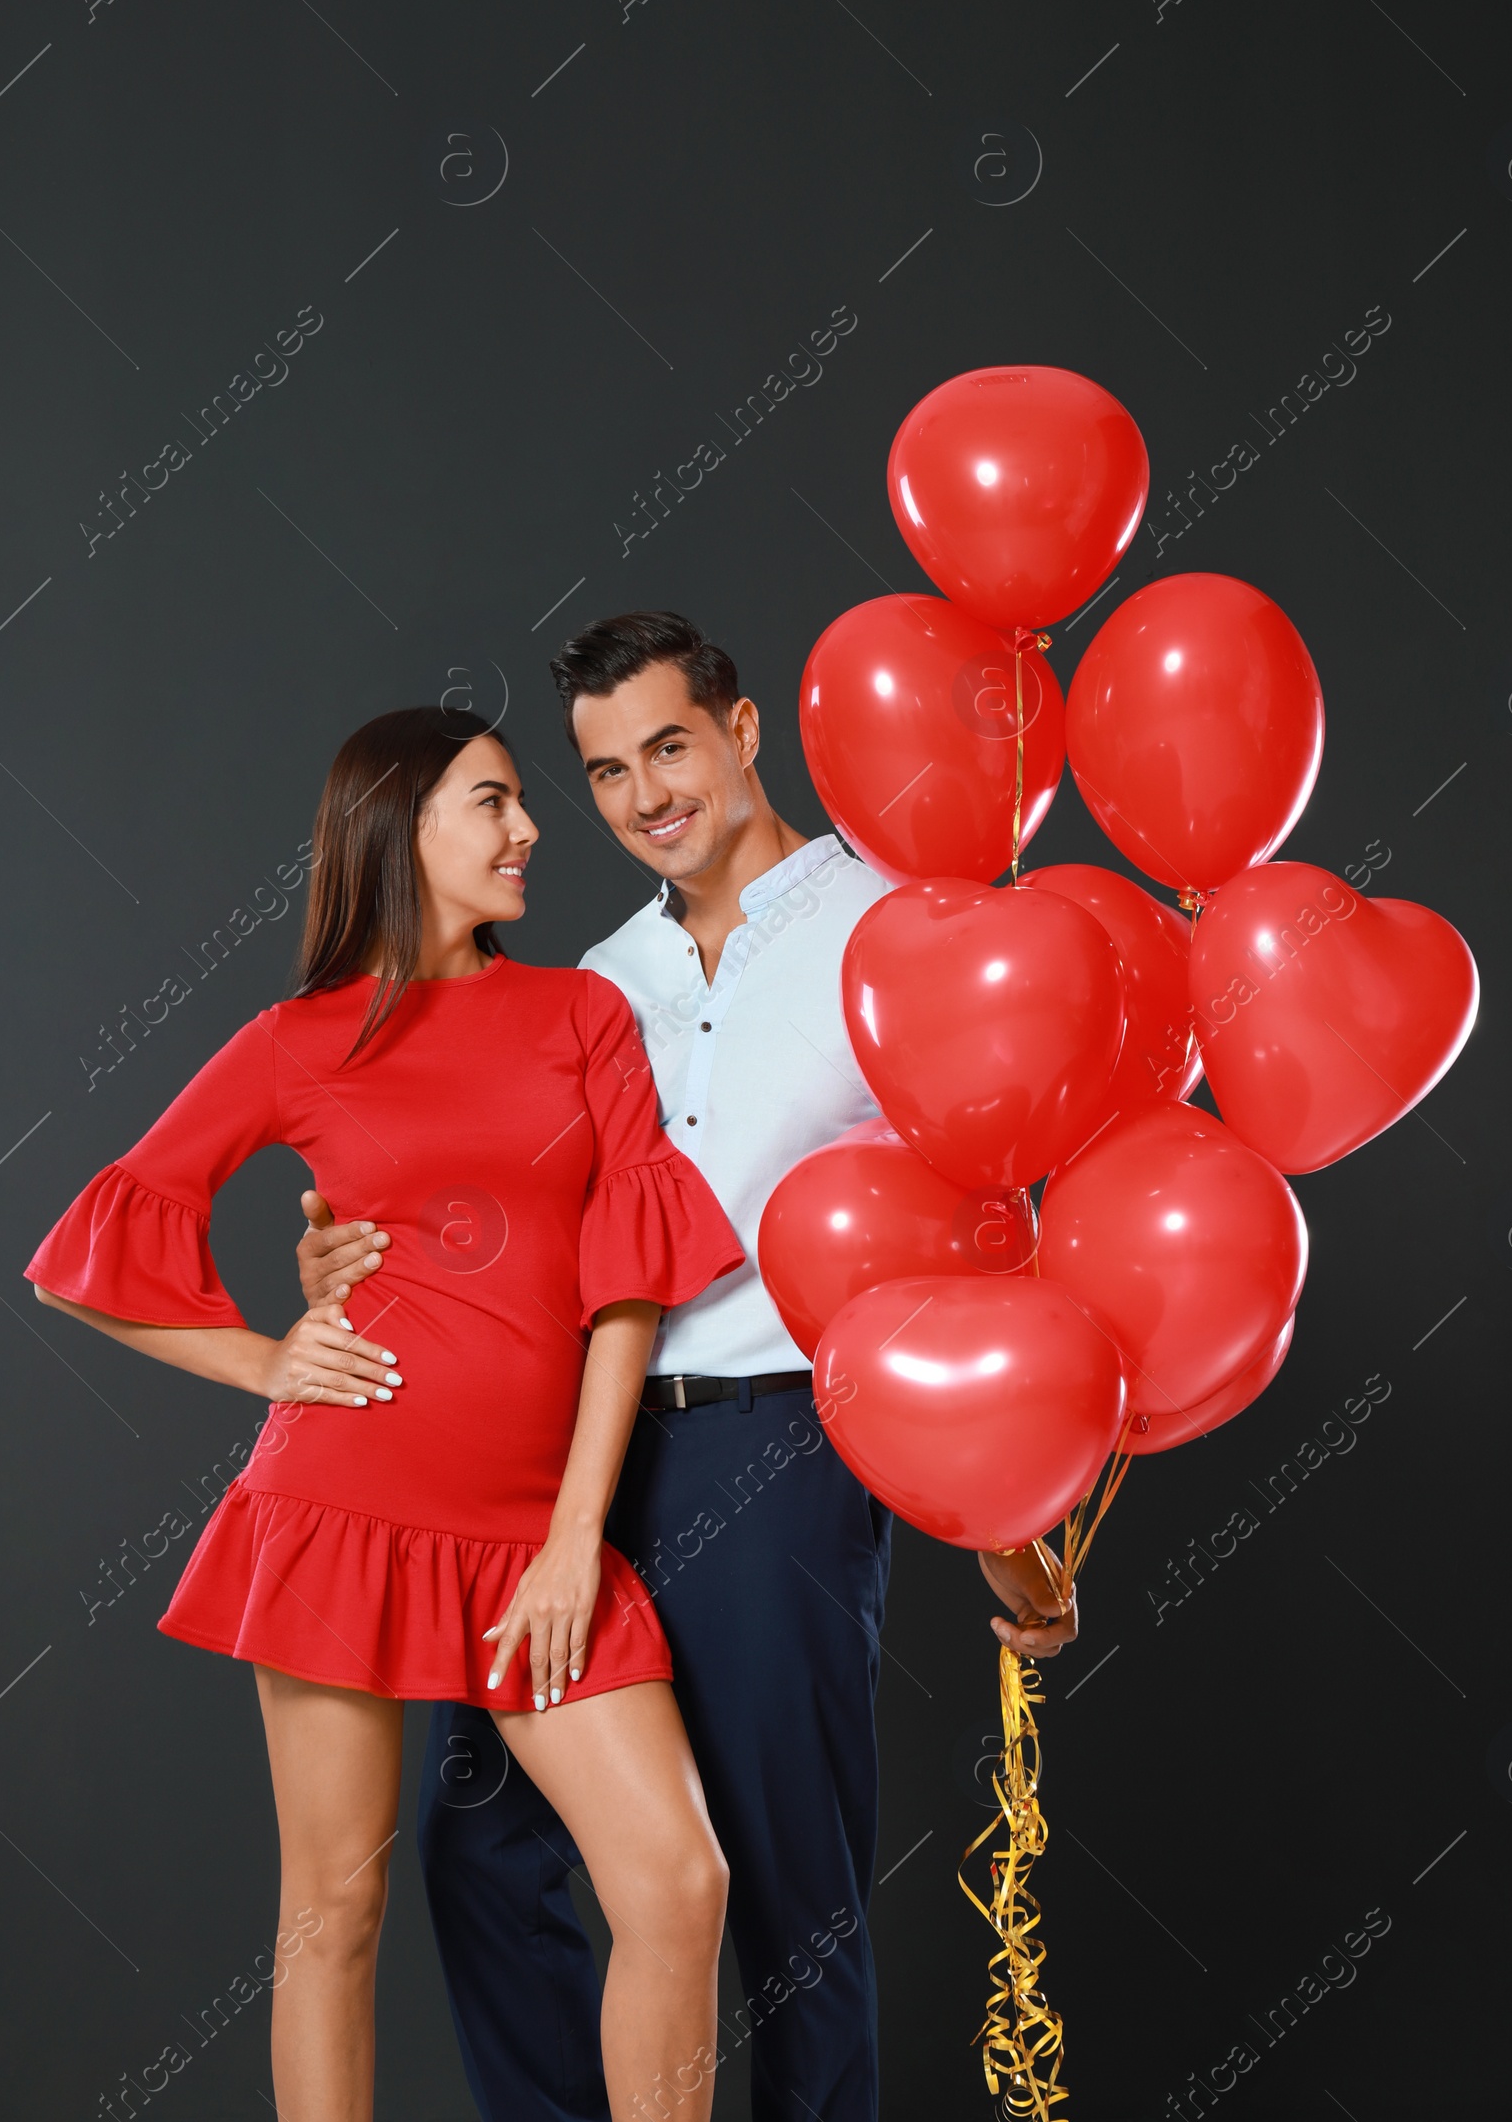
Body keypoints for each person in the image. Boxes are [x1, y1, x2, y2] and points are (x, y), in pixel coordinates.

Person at [297, 616, 1079, 2122]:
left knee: (793, 1894)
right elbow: (512, 1233)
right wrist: (348, 1265)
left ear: (742, 729)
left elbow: (984, 1227)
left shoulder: (894, 935)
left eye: (668, 745)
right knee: (483, 1854)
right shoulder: (595, 981)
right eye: (603, 771)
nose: (646, 794)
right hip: (566, 1458)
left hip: (781, 1450)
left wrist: (1016, 1516)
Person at [26, 705, 746, 2122]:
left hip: (533, 1535)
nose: (530, 827)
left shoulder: (580, 1017)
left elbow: (626, 1288)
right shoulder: (299, 1042)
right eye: (492, 802)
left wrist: (571, 1537)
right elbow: (89, 1253)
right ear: (401, 825)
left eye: (524, 800)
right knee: (331, 1916)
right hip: (340, 1508)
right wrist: (263, 1361)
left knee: (676, 1883)